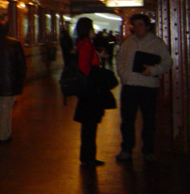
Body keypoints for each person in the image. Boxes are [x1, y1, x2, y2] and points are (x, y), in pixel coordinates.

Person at [115, 14, 173, 163]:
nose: (137, 28)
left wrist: (153, 70)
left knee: (148, 120)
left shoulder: (157, 43)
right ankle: (126, 149)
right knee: (127, 120)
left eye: (140, 25)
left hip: (148, 86)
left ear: (147, 26)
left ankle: (148, 150)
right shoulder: (129, 42)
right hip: (130, 86)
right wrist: (123, 75)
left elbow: (168, 62)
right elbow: (120, 58)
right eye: (134, 25)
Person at [73, 17, 113, 167]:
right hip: (90, 91)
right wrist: (95, 75)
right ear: (88, 30)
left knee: (88, 125)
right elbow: (84, 67)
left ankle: (88, 156)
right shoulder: (86, 45)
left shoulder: (82, 44)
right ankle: (88, 157)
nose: (94, 32)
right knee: (90, 125)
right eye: (92, 29)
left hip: (87, 90)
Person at [0, 21, 26, 143]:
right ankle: (4, 135)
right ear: (8, 29)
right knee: (7, 108)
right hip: (10, 82)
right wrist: (20, 82)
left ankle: (2, 132)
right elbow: (21, 65)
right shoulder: (15, 44)